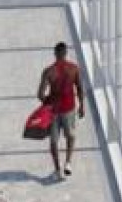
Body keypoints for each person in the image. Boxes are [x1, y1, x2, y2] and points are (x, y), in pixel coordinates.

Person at [36, 41, 86, 182]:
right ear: (65, 53)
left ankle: (58, 170)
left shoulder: (48, 71)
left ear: (55, 54)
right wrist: (82, 106)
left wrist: (48, 102)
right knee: (71, 136)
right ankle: (68, 163)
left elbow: (40, 94)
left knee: (53, 141)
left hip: (54, 110)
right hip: (69, 109)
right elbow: (80, 89)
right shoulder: (74, 69)